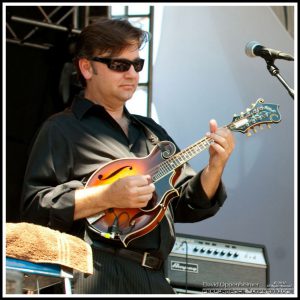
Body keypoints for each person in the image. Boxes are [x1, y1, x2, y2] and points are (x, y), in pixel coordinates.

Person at [20, 17, 235, 294]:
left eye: (137, 65)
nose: (132, 74)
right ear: (87, 67)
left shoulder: (152, 132)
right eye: (119, 65)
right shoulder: (61, 129)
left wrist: (215, 167)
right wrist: (105, 196)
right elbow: (34, 209)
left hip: (154, 278)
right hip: (94, 274)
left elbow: (186, 204)